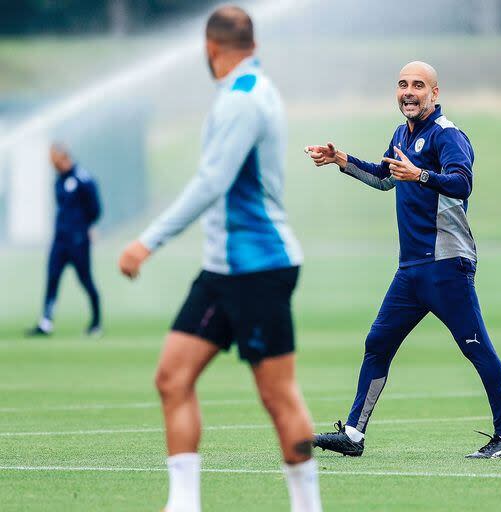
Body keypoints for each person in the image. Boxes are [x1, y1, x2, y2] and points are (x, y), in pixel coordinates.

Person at [117, 6, 321, 511]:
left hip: (259, 268)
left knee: (278, 396)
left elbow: (213, 182)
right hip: (223, 271)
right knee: (172, 377)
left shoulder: (245, 101)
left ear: (211, 48)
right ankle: (182, 504)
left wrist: (148, 241)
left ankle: (307, 505)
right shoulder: (246, 91)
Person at [305, 61, 501, 459]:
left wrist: (419, 174)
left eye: (418, 85)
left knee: (476, 347)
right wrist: (341, 160)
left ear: (434, 93)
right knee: (378, 341)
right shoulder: (401, 134)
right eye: (403, 84)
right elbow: (386, 177)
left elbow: (462, 182)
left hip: (446, 264)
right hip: (411, 270)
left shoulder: (447, 134)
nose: (408, 91)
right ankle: (353, 434)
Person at [26, 144, 102, 338]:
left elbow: (95, 209)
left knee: (85, 280)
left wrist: (83, 228)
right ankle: (46, 322)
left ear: (64, 156)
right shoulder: (59, 181)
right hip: (59, 240)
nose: (52, 163)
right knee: (52, 278)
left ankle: (96, 322)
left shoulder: (83, 179)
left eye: (54, 159)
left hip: (78, 241)